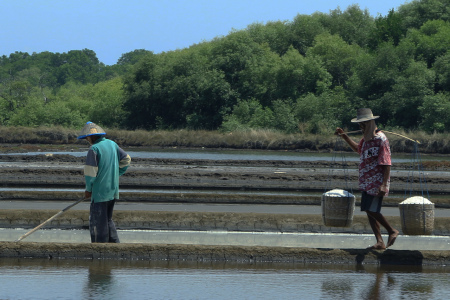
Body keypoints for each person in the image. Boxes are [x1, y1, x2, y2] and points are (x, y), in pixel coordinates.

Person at [335, 108, 399, 250]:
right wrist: (344, 136)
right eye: (360, 125)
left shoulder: (381, 139)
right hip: (365, 181)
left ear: (370, 123)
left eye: (363, 124)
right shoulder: (366, 140)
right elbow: (358, 149)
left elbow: (386, 162)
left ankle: (391, 230)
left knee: (371, 209)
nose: (361, 127)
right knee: (368, 210)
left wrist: (383, 184)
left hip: (377, 181)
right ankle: (379, 241)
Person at [78, 121, 131, 243]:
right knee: (107, 220)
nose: (87, 139)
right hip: (112, 190)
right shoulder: (112, 144)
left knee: (98, 223)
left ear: (92, 136)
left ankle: (100, 250)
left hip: (100, 193)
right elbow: (127, 159)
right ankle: (114, 246)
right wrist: (115, 172)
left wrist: (88, 190)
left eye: (87, 137)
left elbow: (90, 173)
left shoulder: (94, 149)